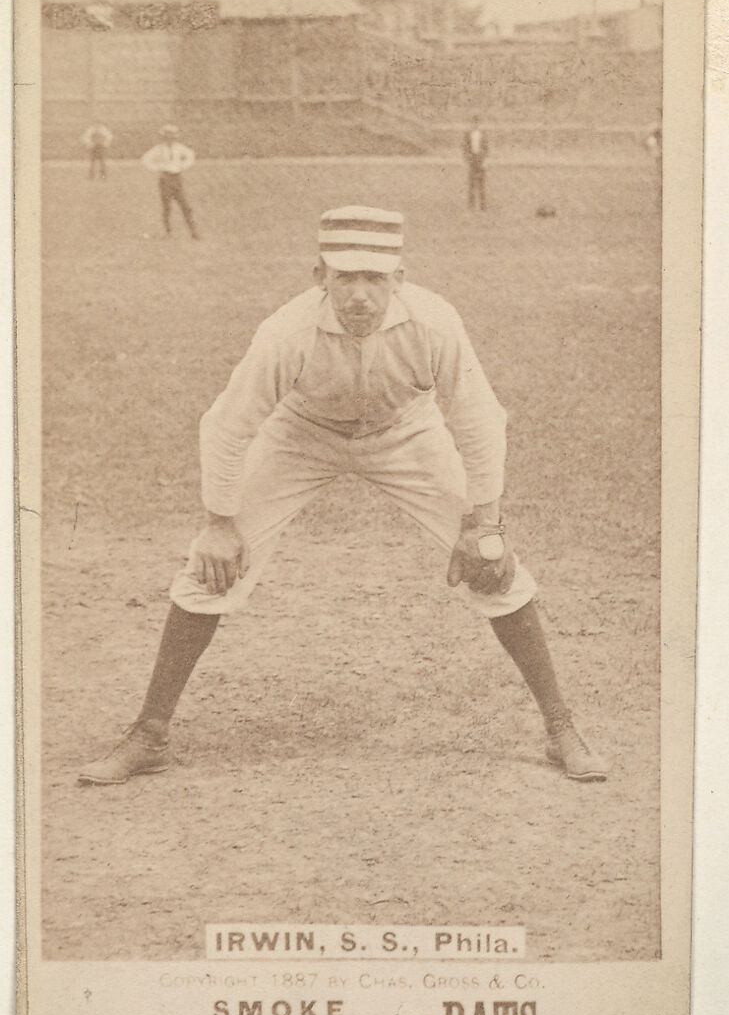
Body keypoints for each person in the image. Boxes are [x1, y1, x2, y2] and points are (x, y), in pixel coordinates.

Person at [77, 205, 608, 787]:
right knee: (209, 571)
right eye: (345, 277)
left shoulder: (434, 323)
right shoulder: (287, 332)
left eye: (374, 278)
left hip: (406, 431)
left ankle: (561, 728)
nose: (360, 295)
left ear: (399, 281)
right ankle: (149, 735)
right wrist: (220, 524)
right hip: (301, 433)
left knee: (494, 568)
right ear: (319, 278)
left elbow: (480, 418)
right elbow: (227, 426)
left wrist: (487, 525)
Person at [141, 124, 200, 239]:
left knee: (185, 205)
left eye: (172, 136)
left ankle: (193, 231)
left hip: (177, 177)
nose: (170, 138)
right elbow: (145, 159)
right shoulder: (158, 149)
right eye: (167, 136)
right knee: (167, 206)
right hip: (165, 179)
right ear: (163, 137)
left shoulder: (180, 148)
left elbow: (190, 155)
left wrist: (183, 166)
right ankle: (168, 232)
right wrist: (158, 168)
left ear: (175, 137)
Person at [463, 115, 487, 210]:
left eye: (477, 123)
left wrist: (484, 159)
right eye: (473, 122)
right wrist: (467, 157)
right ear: (471, 123)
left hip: (480, 159)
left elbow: (486, 148)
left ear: (479, 123)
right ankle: (471, 205)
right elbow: (465, 147)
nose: (475, 124)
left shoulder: (483, 134)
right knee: (471, 183)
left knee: (481, 183)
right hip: (472, 159)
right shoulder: (468, 134)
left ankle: (482, 205)